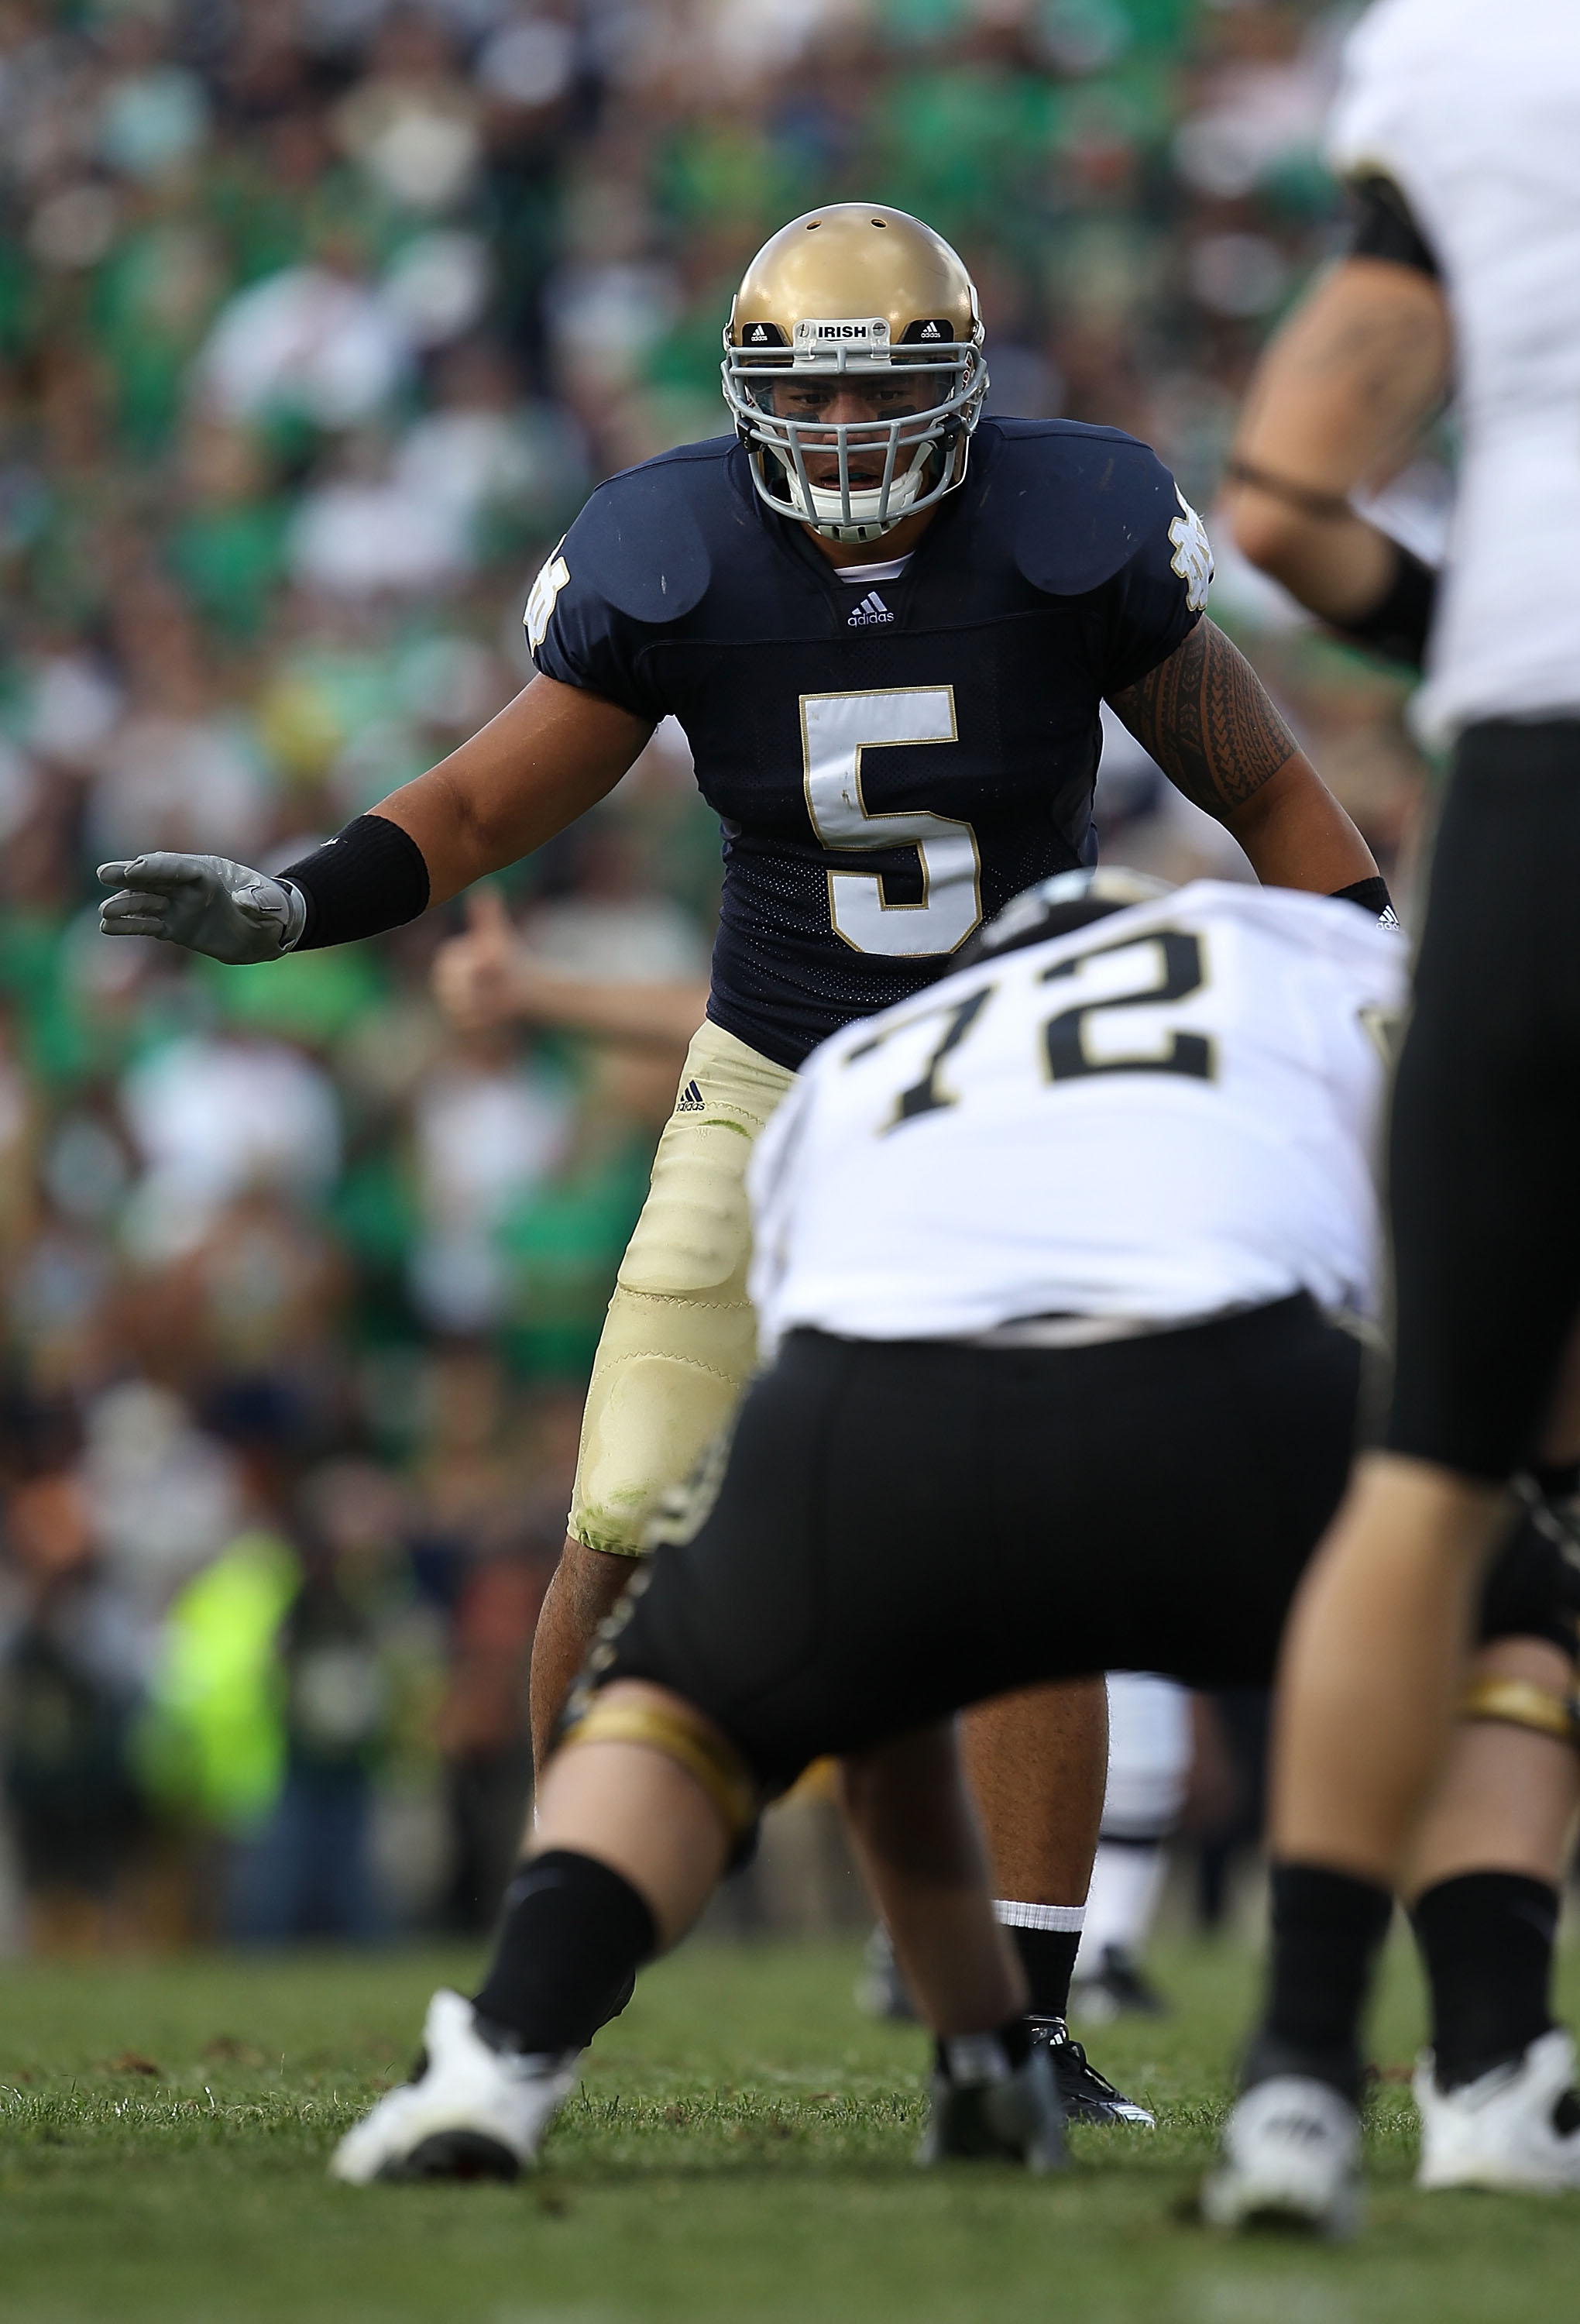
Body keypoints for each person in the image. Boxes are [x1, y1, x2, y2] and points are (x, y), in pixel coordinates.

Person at [98, 203, 1386, 2110]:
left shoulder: (1075, 527)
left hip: (1015, 1085)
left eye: (890, 386)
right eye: (817, 389)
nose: (854, 429)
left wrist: (1379, 983)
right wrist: (300, 904)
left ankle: (1024, 2027)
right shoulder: (675, 549)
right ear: (747, 398)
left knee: (1044, 1551)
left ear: (963, 390)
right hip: (775, 1074)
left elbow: (1268, 786)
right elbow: (473, 800)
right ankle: (551, 1995)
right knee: (621, 1514)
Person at [327, 863, 1417, 2181]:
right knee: (1483, 1631)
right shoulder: (1302, 969)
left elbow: (825, 1319)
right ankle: (1330, 2078)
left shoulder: (876, 1057)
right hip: (1228, 1379)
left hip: (876, 1413)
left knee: (679, 1704)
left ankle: (507, 2048)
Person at [1204, 0, 1580, 2232]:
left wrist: (1473, 634)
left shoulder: (1471, 53)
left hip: (1539, 763)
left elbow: (1279, 494)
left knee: (1434, 1468)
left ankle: (1295, 2082)